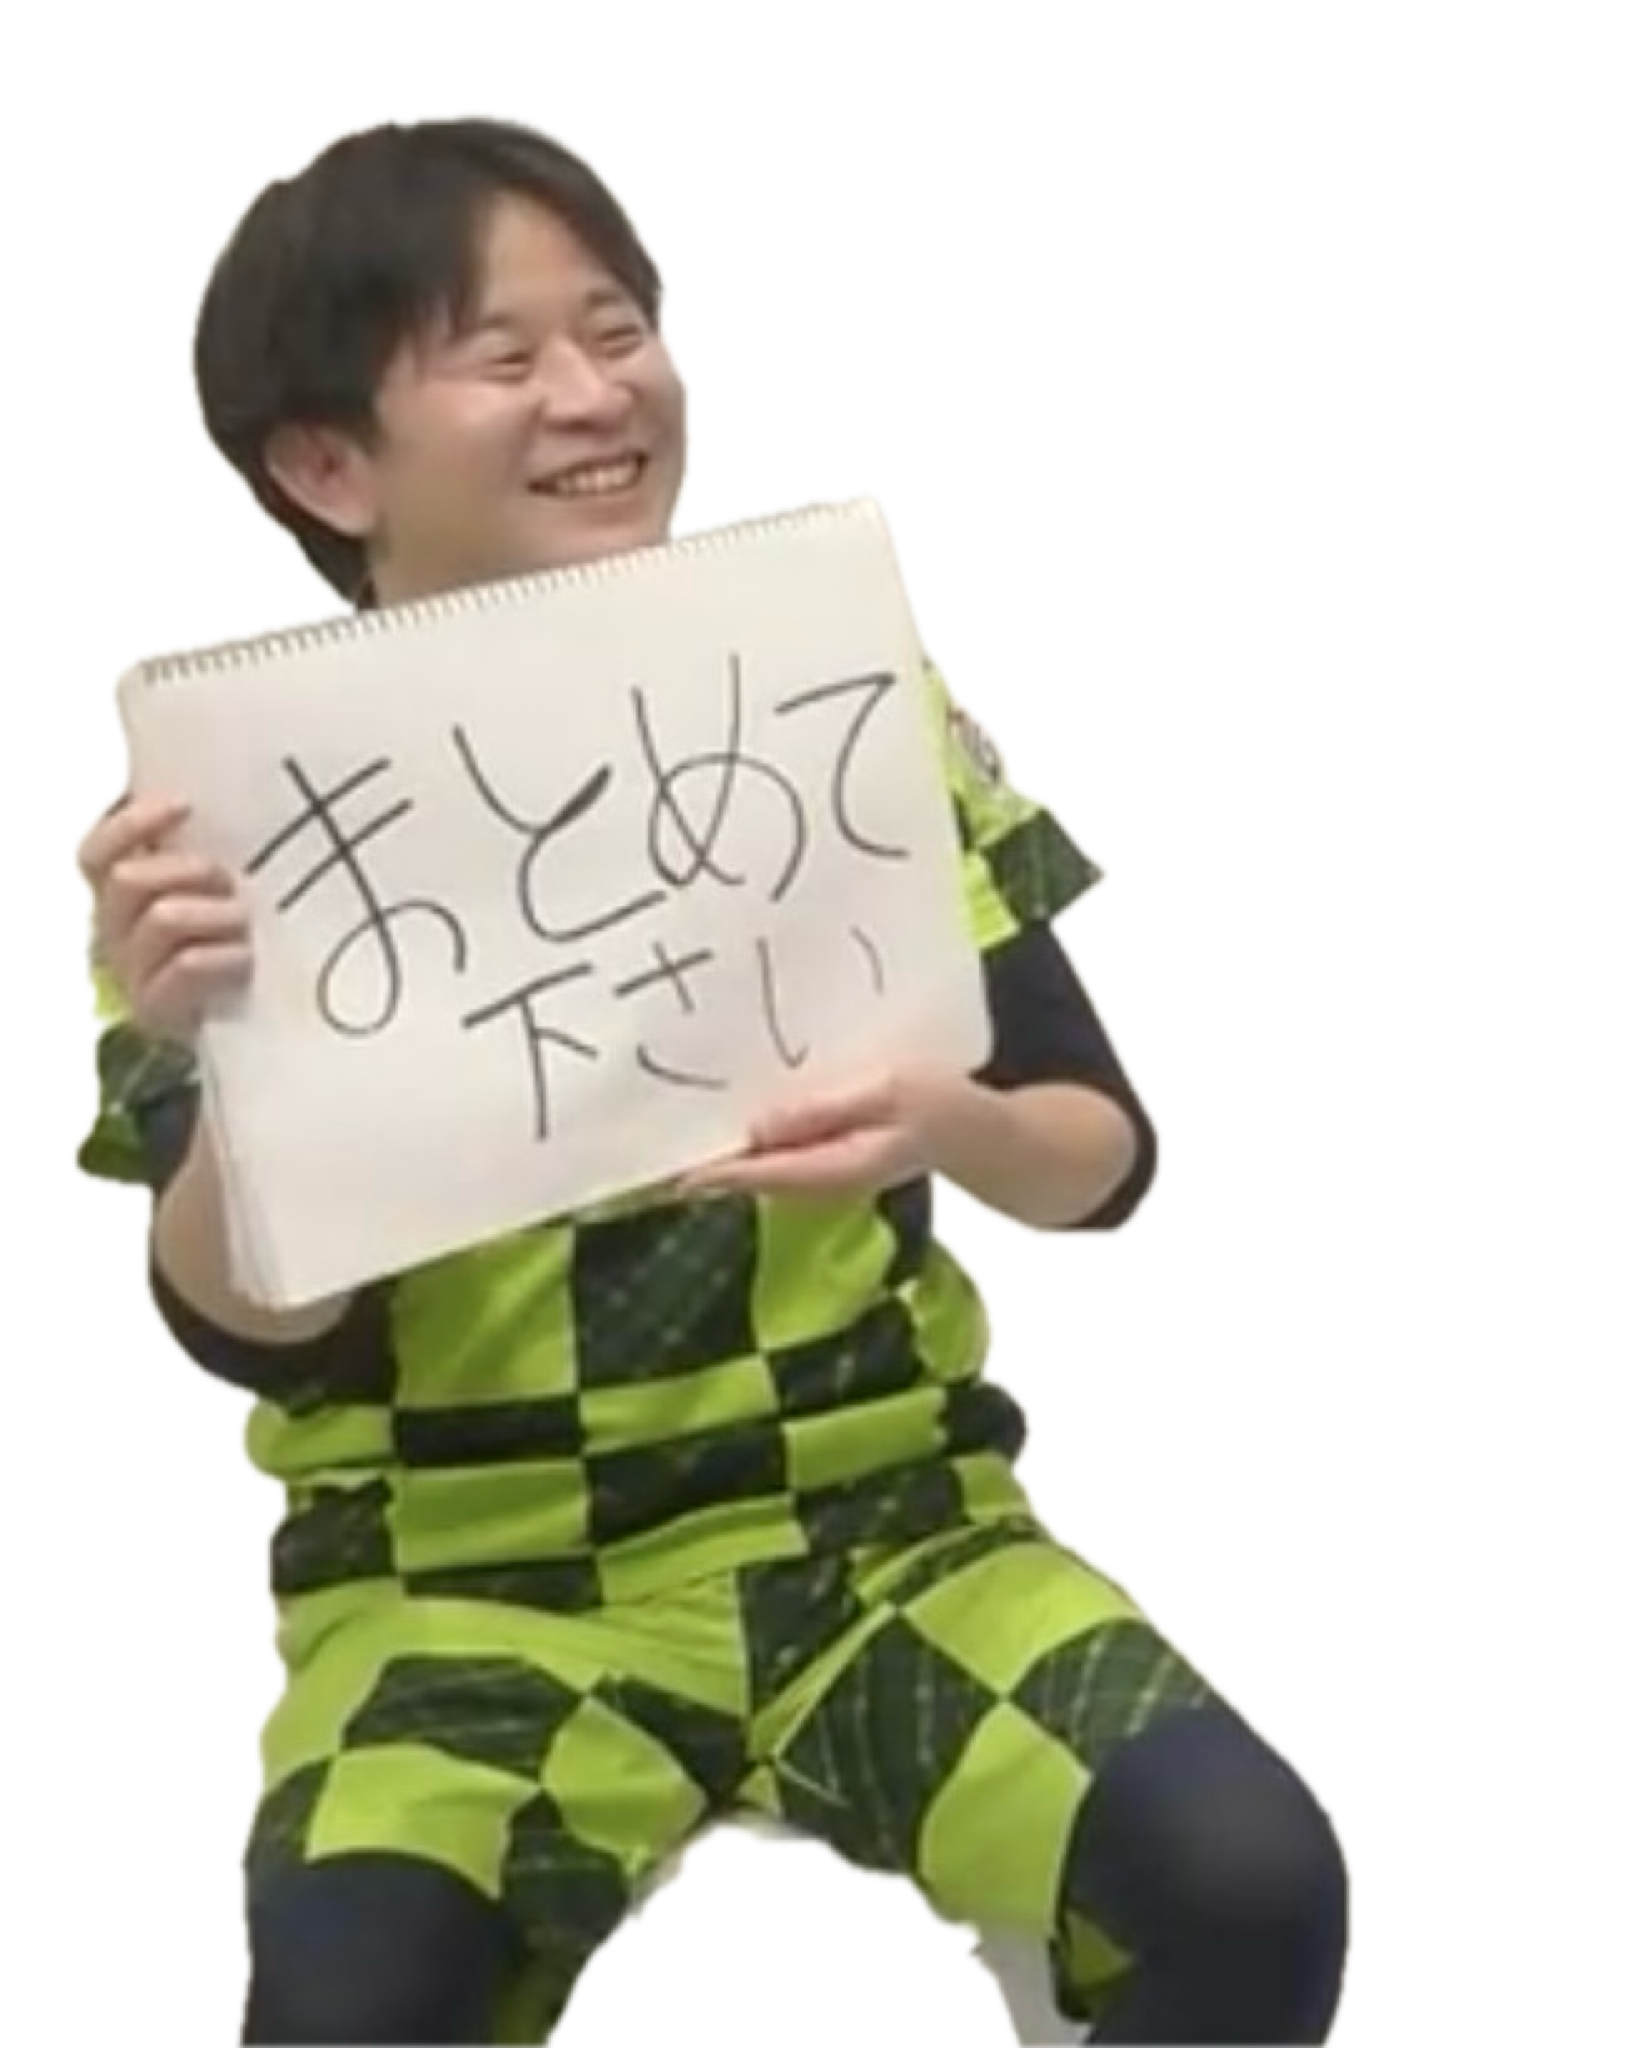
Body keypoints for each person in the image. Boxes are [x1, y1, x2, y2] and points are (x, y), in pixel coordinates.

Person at [70, 112, 1353, 2047]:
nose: (599, 393)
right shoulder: (216, 828)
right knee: (352, 2011)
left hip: (889, 1533)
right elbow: (251, 1332)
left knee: (1251, 1885)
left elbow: (1096, 1161)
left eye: (623, 329)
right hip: (463, 1591)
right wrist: (218, 1070)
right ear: (326, 461)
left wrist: (946, 1122)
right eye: (505, 355)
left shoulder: (835, 687)